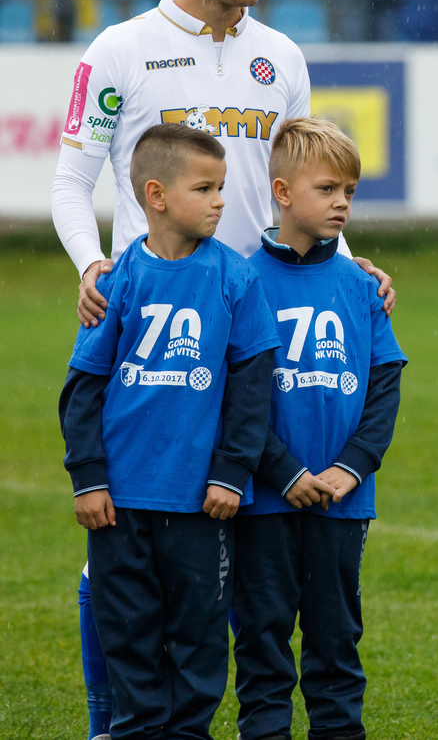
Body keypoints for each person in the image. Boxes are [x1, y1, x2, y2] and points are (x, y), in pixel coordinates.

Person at [51, 0, 395, 740]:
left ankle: (228, 714)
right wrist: (92, 265)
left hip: (256, 338)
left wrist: (351, 265)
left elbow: (305, 186)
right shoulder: (122, 50)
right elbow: (71, 178)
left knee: (233, 541)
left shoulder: (281, 57)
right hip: (153, 333)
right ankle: (116, 718)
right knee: (128, 543)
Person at [60, 122, 279, 740]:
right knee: (128, 631)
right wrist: (89, 478)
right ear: (155, 196)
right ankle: (134, 730)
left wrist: (231, 472)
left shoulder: (235, 278)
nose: (221, 202)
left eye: (223, 188)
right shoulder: (116, 280)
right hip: (119, 503)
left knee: (200, 636)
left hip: (198, 501)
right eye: (206, 188)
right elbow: (83, 389)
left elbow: (250, 386)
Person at [232, 117, 406, 740]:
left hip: (342, 497)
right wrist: (286, 472)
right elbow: (237, 398)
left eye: (349, 193)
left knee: (336, 646)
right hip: (264, 502)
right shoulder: (243, 279)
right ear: (282, 193)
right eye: (327, 189)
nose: (342, 204)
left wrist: (351, 466)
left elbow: (385, 385)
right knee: (263, 644)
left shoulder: (361, 285)